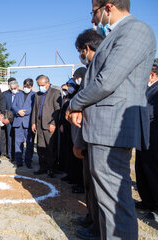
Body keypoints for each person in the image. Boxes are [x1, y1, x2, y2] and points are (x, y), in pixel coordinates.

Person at [66, 0, 156, 238]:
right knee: (105, 200)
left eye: (93, 12)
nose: (92, 19)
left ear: (108, 7)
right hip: (103, 127)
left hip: (113, 127)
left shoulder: (136, 30)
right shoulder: (115, 36)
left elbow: (106, 81)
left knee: (115, 201)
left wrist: (75, 103)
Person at [72, 29, 104, 240]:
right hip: (87, 137)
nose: (80, 55)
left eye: (80, 51)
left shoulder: (99, 69)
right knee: (89, 184)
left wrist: (73, 106)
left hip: (97, 134)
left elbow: (87, 106)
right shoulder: (91, 68)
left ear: (87, 48)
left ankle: (97, 229)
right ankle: (91, 218)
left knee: (98, 187)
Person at [135, 63, 158, 221]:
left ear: (151, 74)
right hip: (143, 136)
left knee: (154, 172)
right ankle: (147, 201)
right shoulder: (146, 91)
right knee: (141, 170)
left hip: (154, 137)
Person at [31, 75, 61, 178]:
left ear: (48, 83)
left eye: (42, 85)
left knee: (50, 148)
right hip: (39, 124)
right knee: (40, 147)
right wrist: (33, 122)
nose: (40, 87)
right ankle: (42, 167)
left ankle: (51, 169)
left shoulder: (55, 93)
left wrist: (53, 123)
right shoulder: (37, 95)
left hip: (49, 125)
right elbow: (35, 109)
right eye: (39, 85)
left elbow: (58, 110)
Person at [12, 78, 35, 168]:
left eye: (28, 86)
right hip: (18, 122)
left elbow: (34, 107)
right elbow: (13, 105)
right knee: (18, 142)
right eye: (25, 86)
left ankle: (28, 161)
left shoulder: (35, 95)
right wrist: (18, 111)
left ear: (31, 87)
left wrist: (25, 112)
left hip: (29, 122)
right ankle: (19, 161)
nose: (26, 88)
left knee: (30, 143)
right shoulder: (18, 94)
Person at [0, 78, 18, 162]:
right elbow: (3, 107)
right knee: (9, 136)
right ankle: (10, 154)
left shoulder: (20, 94)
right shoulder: (5, 94)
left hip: (18, 118)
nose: (13, 90)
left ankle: (17, 154)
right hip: (8, 119)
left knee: (17, 138)